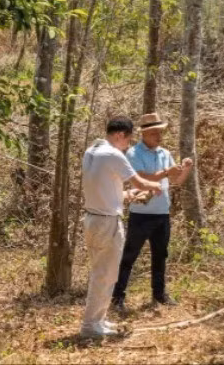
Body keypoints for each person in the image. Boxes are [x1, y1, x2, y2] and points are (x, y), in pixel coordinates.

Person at [80, 116, 162, 338]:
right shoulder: (112, 154)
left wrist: (127, 196)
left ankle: (97, 320)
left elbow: (105, 189)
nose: (128, 145)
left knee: (104, 273)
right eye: (128, 140)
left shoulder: (92, 151)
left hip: (94, 218)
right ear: (119, 135)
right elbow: (141, 182)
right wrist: (156, 185)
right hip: (106, 222)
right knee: (104, 274)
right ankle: (90, 326)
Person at [111, 112, 193, 314]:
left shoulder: (165, 153)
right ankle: (117, 297)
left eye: (160, 132)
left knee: (161, 255)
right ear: (144, 134)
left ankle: (159, 294)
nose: (159, 136)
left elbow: (176, 182)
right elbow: (139, 177)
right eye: (155, 133)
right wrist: (166, 172)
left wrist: (186, 169)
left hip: (162, 213)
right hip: (141, 213)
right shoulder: (133, 154)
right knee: (129, 256)